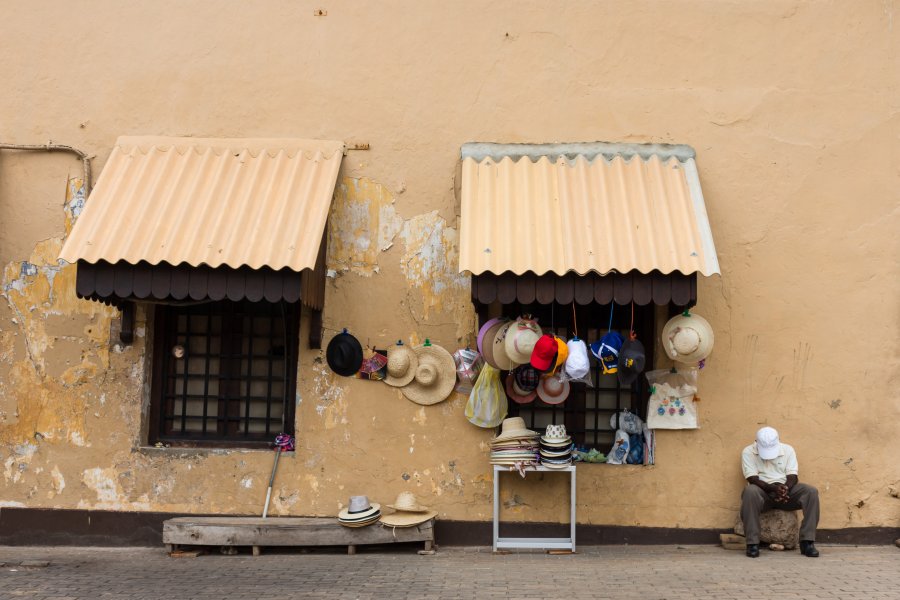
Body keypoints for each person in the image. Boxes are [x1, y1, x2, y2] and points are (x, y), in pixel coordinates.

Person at [740, 426, 820, 558]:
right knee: (749, 491)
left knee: (811, 492)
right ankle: (752, 543)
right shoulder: (748, 452)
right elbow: (752, 478)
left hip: (786, 492)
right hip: (762, 493)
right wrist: (772, 489)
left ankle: (807, 542)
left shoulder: (788, 449)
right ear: (756, 442)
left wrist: (784, 489)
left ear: (778, 441)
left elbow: (793, 476)